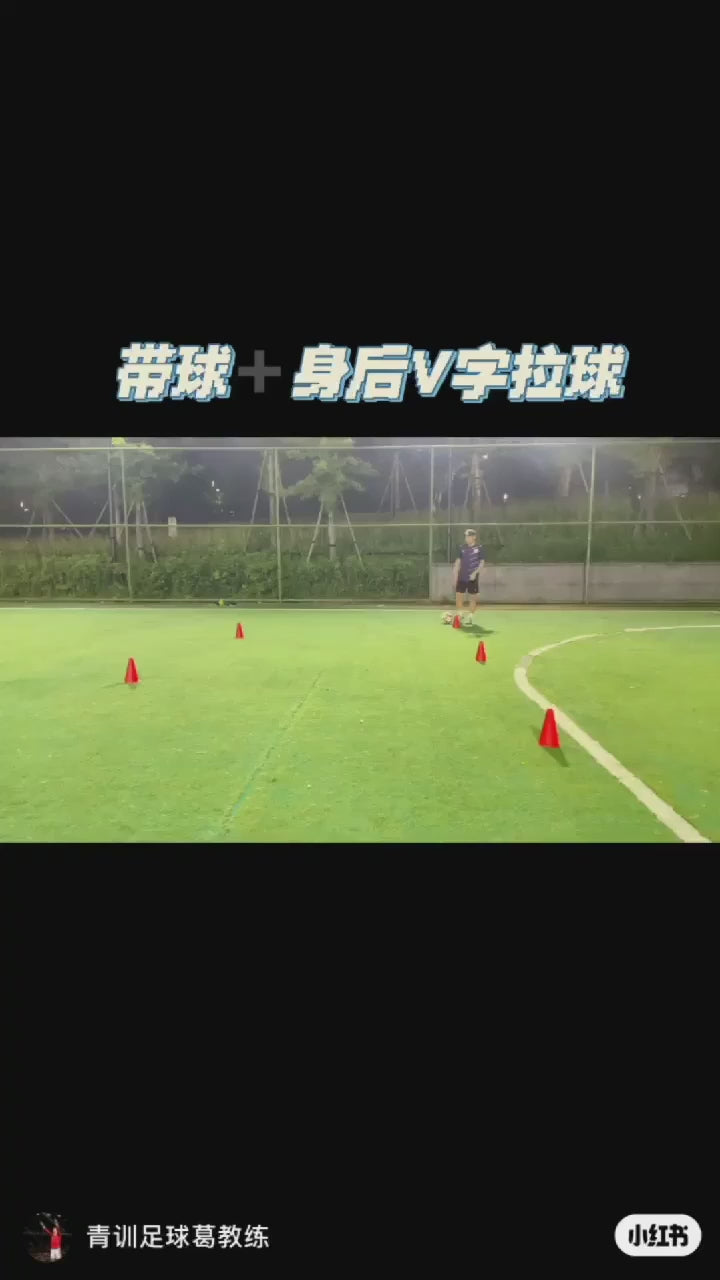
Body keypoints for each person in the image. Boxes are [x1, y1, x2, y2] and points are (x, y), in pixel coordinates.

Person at [453, 528, 485, 625]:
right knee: (459, 596)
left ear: (474, 537)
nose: (467, 538)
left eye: (469, 536)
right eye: (466, 536)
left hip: (472, 578)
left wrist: (475, 573)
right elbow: (458, 562)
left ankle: (470, 617)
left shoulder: (479, 548)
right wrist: (455, 574)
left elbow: (482, 563)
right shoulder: (462, 547)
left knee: (473, 598)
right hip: (462, 577)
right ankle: (460, 615)